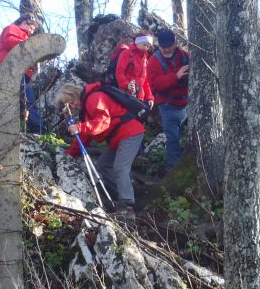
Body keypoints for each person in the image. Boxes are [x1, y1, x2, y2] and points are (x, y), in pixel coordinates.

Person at [56, 81, 145, 216]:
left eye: (69, 102)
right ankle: (121, 194)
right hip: (119, 137)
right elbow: (85, 137)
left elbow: (103, 122)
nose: (72, 107)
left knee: (120, 167)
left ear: (74, 95)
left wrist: (80, 127)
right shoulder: (86, 107)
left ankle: (127, 205)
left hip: (130, 132)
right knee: (103, 165)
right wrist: (70, 153)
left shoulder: (93, 98)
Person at [147, 28, 189, 171]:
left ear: (175, 43)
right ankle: (173, 171)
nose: (166, 49)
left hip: (187, 105)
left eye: (169, 46)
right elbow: (154, 85)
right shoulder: (153, 61)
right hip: (168, 106)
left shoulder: (184, 56)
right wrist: (175, 76)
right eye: (163, 47)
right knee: (172, 139)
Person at [0, 13, 43, 132]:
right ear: (24, 22)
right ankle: (36, 129)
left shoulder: (26, 38)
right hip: (10, 68)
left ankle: (35, 129)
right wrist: (30, 46)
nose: (32, 31)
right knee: (24, 99)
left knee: (27, 100)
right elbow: (9, 41)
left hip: (22, 72)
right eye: (31, 27)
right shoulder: (12, 29)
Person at [111, 34, 154, 106]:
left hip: (139, 98)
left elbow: (145, 81)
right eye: (144, 44)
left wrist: (149, 97)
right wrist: (126, 85)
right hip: (124, 94)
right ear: (138, 42)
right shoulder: (126, 54)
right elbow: (119, 72)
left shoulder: (145, 60)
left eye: (148, 46)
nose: (146, 47)